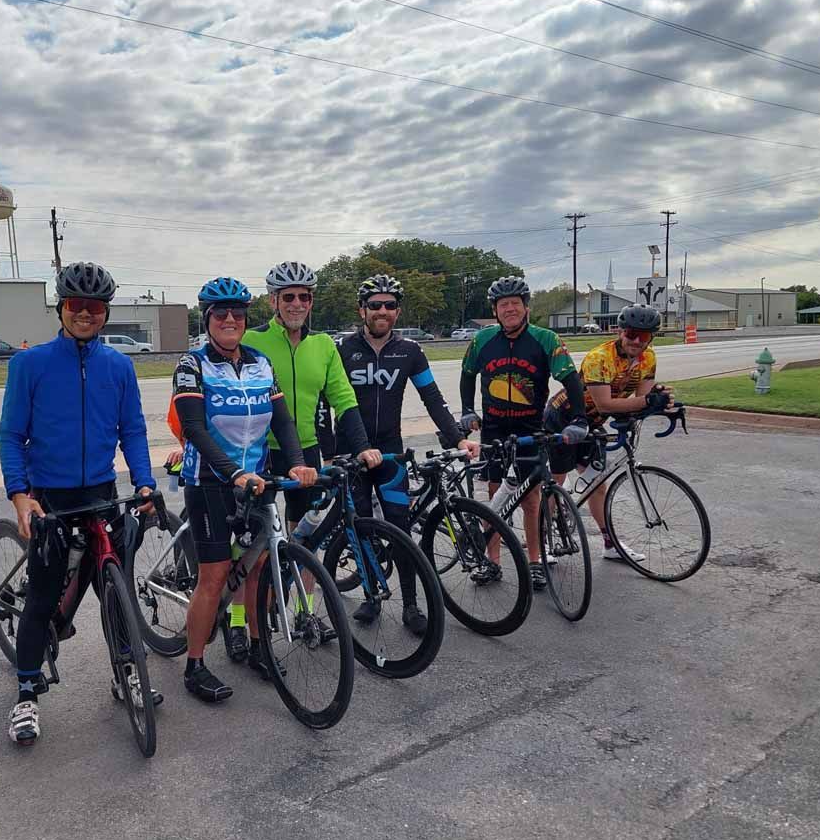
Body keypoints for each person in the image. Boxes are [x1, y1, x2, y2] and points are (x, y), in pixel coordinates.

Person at [0, 261, 158, 746]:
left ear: (105, 313)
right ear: (61, 309)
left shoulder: (120, 365)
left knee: (118, 592)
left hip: (102, 494)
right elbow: (10, 435)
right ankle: (26, 693)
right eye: (75, 305)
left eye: (94, 307)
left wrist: (146, 484)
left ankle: (126, 673)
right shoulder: (30, 364)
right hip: (51, 497)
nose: (85, 314)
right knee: (44, 595)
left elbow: (132, 430)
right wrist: (21, 497)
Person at [170, 277, 317, 702]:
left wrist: (297, 463)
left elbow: (283, 421)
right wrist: (232, 472)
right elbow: (195, 427)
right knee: (215, 576)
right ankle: (194, 666)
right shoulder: (192, 365)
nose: (230, 319)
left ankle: (258, 648)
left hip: (256, 480)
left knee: (257, 568)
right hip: (210, 482)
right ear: (208, 318)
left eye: (237, 313)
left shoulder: (259, 363)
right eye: (221, 313)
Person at [232, 261, 380, 659]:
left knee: (305, 539)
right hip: (259, 451)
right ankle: (237, 621)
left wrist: (363, 444)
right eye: (289, 297)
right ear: (273, 301)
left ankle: (303, 613)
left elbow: (344, 399)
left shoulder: (323, 345)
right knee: (252, 545)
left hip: (307, 452)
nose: (298, 303)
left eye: (305, 296)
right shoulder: (253, 341)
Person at [319, 274, 480, 632]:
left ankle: (410, 605)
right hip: (351, 456)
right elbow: (323, 404)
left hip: (390, 454)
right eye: (375, 305)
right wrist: (329, 455)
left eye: (389, 305)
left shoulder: (409, 351)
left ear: (397, 311)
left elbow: (433, 399)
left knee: (401, 529)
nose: (382, 311)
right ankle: (371, 597)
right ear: (362, 310)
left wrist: (457, 440)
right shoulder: (342, 350)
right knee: (359, 529)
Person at [459, 276, 588, 590]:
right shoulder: (483, 340)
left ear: (526, 307)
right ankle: (492, 562)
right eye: (503, 305)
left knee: (531, 499)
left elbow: (571, 380)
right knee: (494, 495)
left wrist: (580, 418)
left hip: (530, 428)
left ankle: (534, 562)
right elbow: (467, 375)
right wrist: (466, 410)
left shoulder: (545, 339)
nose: (510, 309)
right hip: (494, 428)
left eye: (515, 303)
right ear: (495, 310)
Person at [544, 303, 673, 561]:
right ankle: (545, 541)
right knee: (554, 484)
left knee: (597, 485)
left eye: (644, 336)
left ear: (652, 337)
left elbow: (641, 399)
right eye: (631, 334)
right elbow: (607, 404)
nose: (636, 341)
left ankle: (610, 544)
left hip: (593, 422)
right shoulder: (599, 358)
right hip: (564, 417)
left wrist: (664, 404)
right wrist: (647, 403)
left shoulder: (649, 358)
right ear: (620, 331)